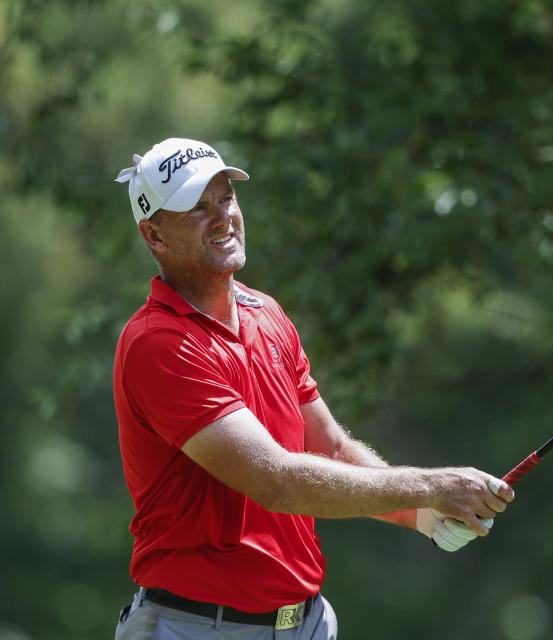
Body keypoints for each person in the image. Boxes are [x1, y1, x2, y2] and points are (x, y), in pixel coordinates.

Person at [112, 138, 515, 639]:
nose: (221, 217)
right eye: (196, 207)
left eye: (225, 198)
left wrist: (424, 516)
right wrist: (435, 486)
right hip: (196, 628)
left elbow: (333, 449)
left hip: (305, 623)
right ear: (154, 235)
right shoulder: (160, 343)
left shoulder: (267, 313)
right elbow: (276, 481)